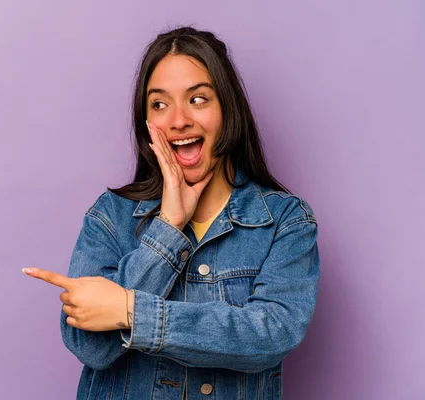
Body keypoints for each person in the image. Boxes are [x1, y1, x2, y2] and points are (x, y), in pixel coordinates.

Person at [23, 26, 320, 400]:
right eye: (159, 104)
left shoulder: (285, 221)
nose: (178, 120)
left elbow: (271, 334)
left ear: (229, 108)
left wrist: (130, 311)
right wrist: (168, 227)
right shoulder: (110, 217)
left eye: (198, 99)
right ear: (146, 122)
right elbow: (92, 349)